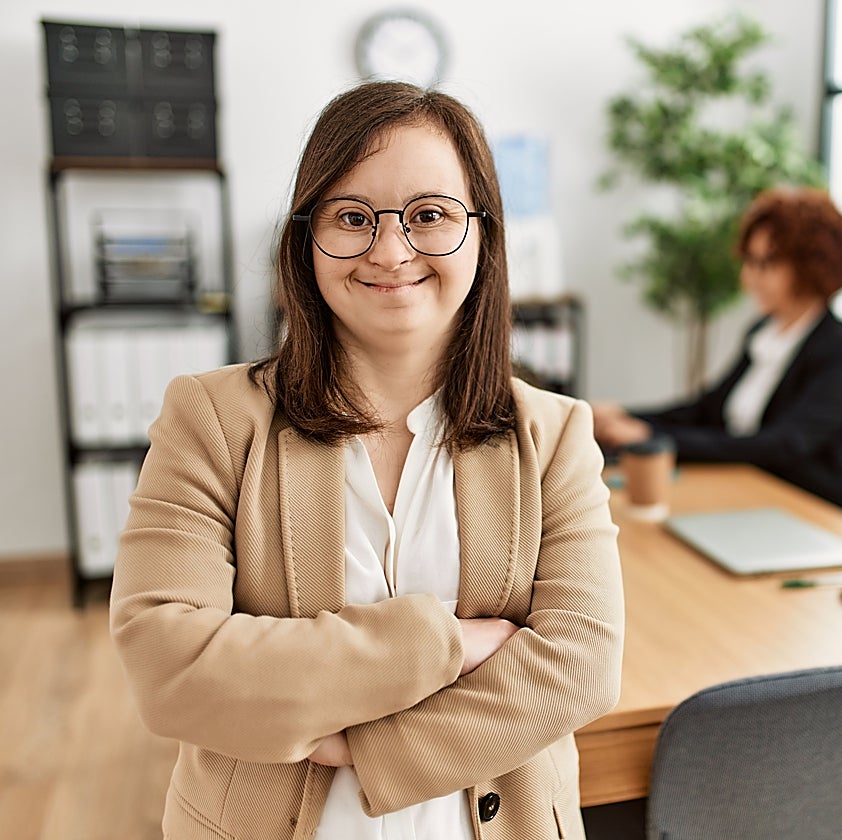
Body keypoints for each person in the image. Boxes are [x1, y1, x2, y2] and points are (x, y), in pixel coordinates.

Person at [109, 81, 624, 840]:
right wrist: (449, 643)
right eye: (353, 217)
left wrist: (359, 744)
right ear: (306, 237)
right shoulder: (211, 419)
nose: (390, 250)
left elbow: (582, 666)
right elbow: (169, 667)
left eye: (429, 216)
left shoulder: (552, 435)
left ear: (483, 234)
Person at [592, 186, 842, 518]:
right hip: (752, 498)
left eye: (765, 264)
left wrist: (650, 435)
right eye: (749, 262)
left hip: (816, 515)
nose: (749, 277)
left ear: (810, 266)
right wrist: (627, 416)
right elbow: (707, 409)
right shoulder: (764, 334)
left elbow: (778, 447)